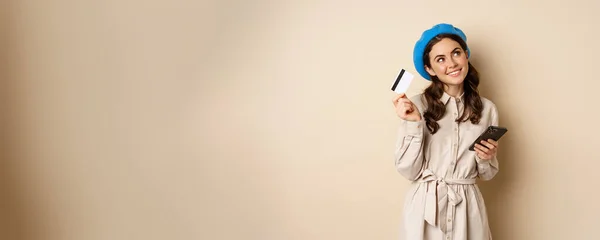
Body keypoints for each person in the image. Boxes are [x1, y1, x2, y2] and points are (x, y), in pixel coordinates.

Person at [392, 23, 500, 240]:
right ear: (430, 69)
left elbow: (487, 174)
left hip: (468, 209)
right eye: (440, 59)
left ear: (465, 55)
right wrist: (414, 123)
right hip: (424, 209)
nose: (451, 63)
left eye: (456, 53)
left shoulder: (487, 109)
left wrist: (485, 158)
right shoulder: (416, 105)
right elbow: (408, 171)